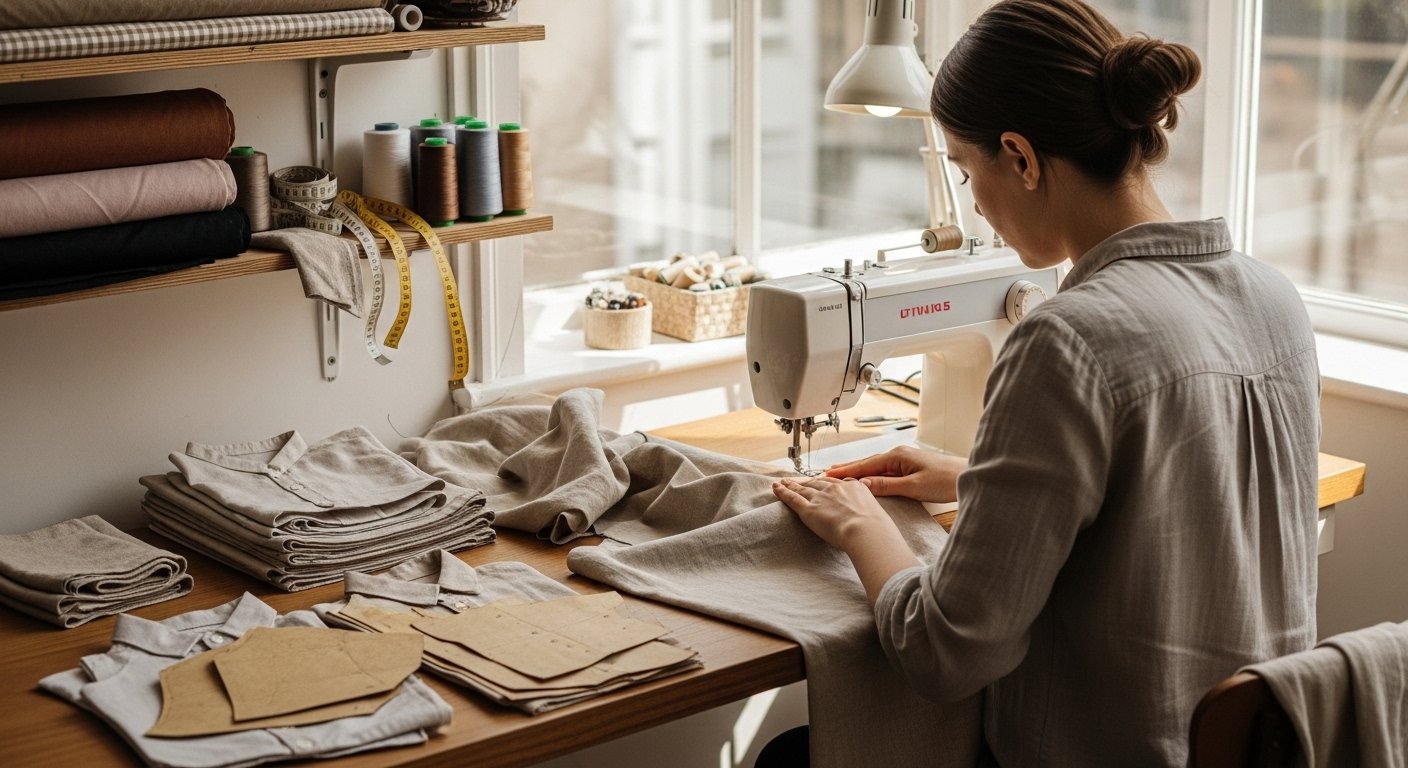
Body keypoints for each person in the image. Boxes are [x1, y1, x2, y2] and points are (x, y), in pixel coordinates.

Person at [768, 0, 1321, 765]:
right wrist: (975, 478)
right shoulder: (1271, 297)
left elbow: (946, 655)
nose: (974, 203)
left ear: (1021, 158)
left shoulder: (1066, 339)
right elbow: (1173, 498)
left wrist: (860, 524)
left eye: (965, 171)